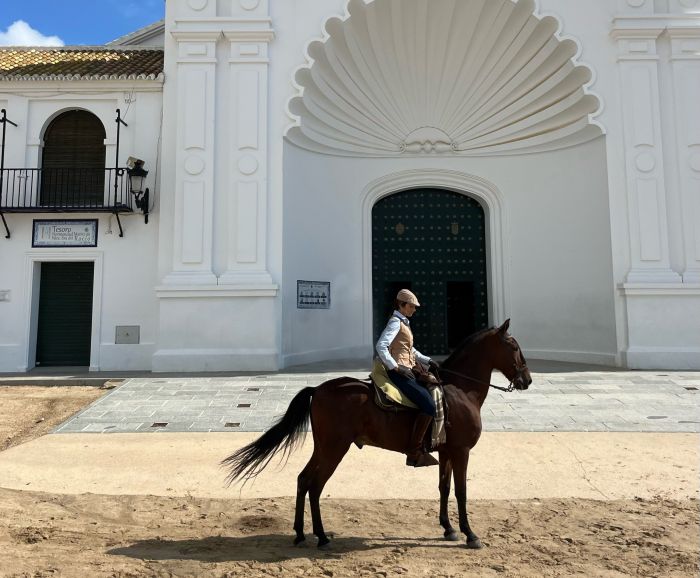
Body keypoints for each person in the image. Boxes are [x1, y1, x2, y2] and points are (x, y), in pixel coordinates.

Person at [376, 289, 439, 467]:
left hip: (408, 368)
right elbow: (381, 345)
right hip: (399, 371)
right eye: (411, 306)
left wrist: (428, 361)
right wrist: (395, 367)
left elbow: (409, 350)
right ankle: (414, 450)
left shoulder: (404, 322)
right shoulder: (395, 323)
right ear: (401, 305)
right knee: (428, 405)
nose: (414, 309)